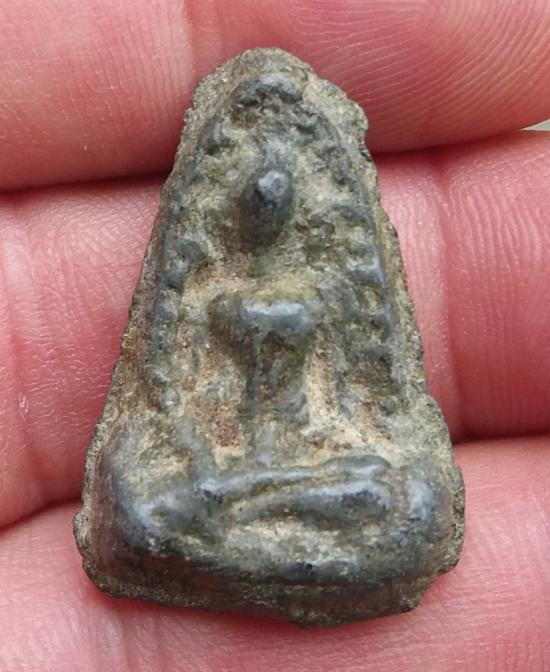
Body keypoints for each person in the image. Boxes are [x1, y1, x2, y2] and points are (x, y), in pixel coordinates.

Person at [0, 1, 549, 669]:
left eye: (278, 198)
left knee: (407, 506)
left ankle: (247, 503)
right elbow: (175, 400)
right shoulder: (209, 295)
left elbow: (357, 400)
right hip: (222, 461)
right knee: (143, 509)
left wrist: (316, 454)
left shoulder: (323, 293)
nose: (266, 210)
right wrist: (196, 453)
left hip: (310, 452)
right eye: (254, 201)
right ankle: (242, 501)